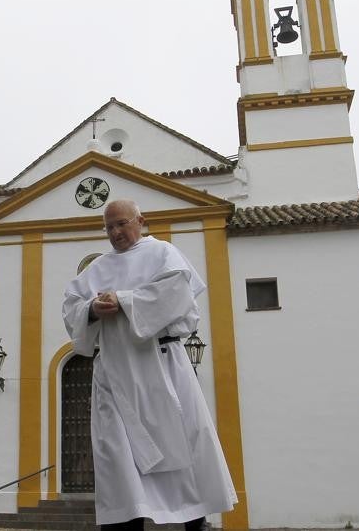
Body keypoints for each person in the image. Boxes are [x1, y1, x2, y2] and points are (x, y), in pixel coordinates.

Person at [63, 199, 237, 531]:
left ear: (140, 221)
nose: (115, 232)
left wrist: (123, 299)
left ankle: (195, 519)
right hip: (114, 373)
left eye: (122, 224)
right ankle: (122, 521)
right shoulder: (98, 267)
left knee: (184, 442)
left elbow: (175, 296)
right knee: (116, 453)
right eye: (109, 227)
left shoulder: (163, 253)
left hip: (163, 365)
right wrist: (91, 309)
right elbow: (71, 306)